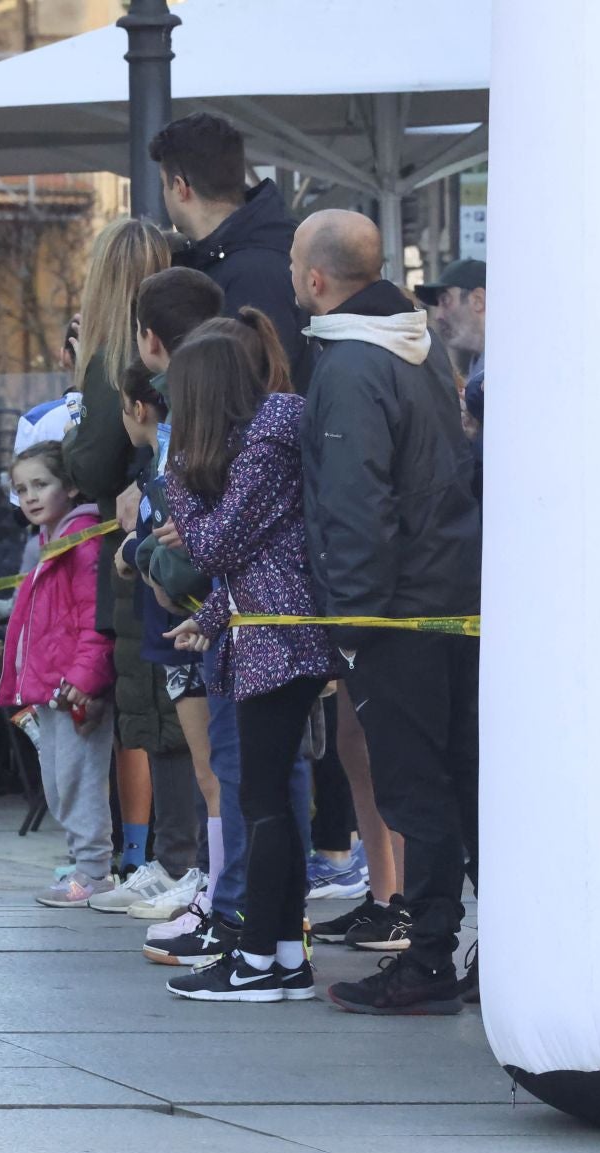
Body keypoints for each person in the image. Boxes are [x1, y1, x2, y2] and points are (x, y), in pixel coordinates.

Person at [290, 210, 481, 1014]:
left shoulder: (348, 366)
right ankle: (484, 952)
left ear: (317, 279)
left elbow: (356, 503)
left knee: (415, 789)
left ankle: (428, 959)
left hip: (396, 614)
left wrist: (353, 626)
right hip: (450, 598)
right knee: (464, 783)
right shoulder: (423, 346)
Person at [160, 325, 333, 1002]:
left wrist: (174, 477)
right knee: (271, 806)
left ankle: (257, 957)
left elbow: (217, 545)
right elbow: (262, 554)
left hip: (279, 645)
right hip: (268, 637)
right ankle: (285, 953)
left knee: (262, 803)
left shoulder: (262, 447)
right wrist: (208, 619)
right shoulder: (265, 440)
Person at [61, 219, 207, 895]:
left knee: (161, 707)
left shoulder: (115, 363)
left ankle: (176, 863)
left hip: (143, 556)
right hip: (178, 547)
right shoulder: (208, 358)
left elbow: (90, 466)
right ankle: (181, 858)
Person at [0, 441, 115, 901]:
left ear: (70, 486)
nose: (29, 496)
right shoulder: (50, 543)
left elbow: (93, 619)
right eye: (21, 489)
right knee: (59, 781)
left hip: (73, 690)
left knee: (78, 780)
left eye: (40, 484)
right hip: (50, 689)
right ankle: (81, 863)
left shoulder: (81, 542)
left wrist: (85, 680)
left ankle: (94, 870)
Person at [150, 111, 309, 378]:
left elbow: (252, 390)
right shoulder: (264, 249)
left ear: (180, 187)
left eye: (163, 185)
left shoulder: (252, 270)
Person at [415, 256, 486, 433]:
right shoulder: (478, 367)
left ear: (478, 300)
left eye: (445, 300)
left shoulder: (513, 368)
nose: (438, 315)